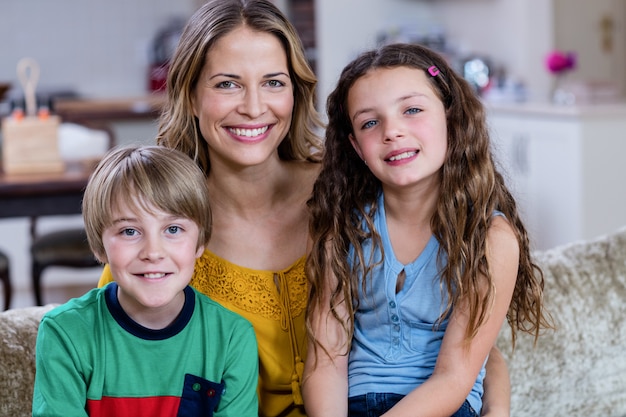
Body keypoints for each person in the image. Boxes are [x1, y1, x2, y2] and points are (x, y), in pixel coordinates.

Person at [97, 1, 512, 416]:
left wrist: (496, 404)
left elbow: (451, 336)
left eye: (274, 82)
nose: (254, 107)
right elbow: (116, 366)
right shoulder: (159, 231)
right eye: (227, 84)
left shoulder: (349, 193)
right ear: (190, 95)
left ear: (296, 93)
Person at [302, 43, 552, 417]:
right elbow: (326, 361)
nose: (392, 131)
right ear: (355, 146)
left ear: (450, 118)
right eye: (370, 122)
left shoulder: (489, 238)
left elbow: (455, 377)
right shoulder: (344, 228)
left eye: (413, 110)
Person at [33, 145, 259, 417]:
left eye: (173, 229)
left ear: (200, 242)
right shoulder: (65, 334)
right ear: (99, 246)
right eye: (129, 231)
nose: (153, 252)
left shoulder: (233, 338)